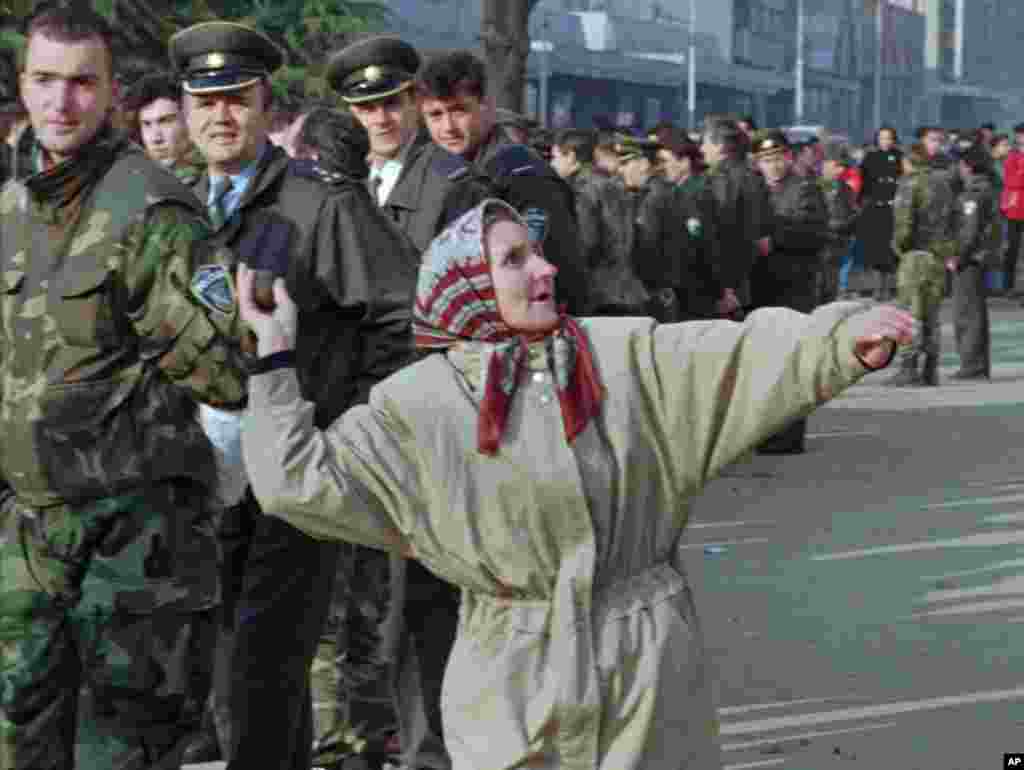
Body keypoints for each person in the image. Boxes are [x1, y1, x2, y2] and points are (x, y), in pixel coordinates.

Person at [235, 198, 912, 770]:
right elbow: (297, 481)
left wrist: (840, 336)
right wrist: (273, 356)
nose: (546, 268)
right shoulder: (416, 407)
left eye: (538, 252)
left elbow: (739, 352)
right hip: (507, 672)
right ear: (467, 284)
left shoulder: (622, 356)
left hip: (645, 665)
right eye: (515, 260)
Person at [0, 5, 253, 768]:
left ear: (112, 94)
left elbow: (221, 373)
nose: (61, 102)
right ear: (22, 85)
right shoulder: (13, 208)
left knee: (124, 750)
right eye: (46, 80)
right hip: (29, 531)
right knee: (17, 741)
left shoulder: (154, 210)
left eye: (82, 84)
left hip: (135, 542)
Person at [170, 20, 420, 770]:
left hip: (295, 464)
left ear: (264, 104)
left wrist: (352, 436)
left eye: (236, 98)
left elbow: (399, 318)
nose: (221, 116)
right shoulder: (178, 206)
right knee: (215, 659)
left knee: (269, 665)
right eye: (205, 100)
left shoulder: (319, 204)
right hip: (198, 468)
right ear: (186, 111)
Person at [417, 50, 587, 317]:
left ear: (487, 105)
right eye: (435, 115)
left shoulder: (524, 177)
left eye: (459, 110)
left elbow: (555, 271)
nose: (447, 127)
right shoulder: (443, 173)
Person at [328, 36, 456, 256]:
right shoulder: (347, 180)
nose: (381, 119)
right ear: (354, 112)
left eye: (391, 104)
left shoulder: (453, 186)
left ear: (415, 100)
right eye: (367, 108)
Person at [749, 129, 829, 454]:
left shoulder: (804, 190)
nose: (773, 165)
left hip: (794, 286)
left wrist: (775, 238)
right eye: (766, 160)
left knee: (790, 361)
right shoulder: (753, 190)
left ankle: (789, 435)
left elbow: (814, 231)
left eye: (778, 158)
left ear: (789, 157)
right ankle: (764, 431)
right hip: (759, 285)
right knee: (762, 363)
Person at [550, 128, 644, 316]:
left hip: (598, 295)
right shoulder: (615, 184)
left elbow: (587, 243)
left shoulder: (581, 190)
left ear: (571, 156)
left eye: (555, 156)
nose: (552, 163)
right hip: (628, 289)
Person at [888, 143, 956, 387]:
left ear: (908, 162)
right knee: (931, 314)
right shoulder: (943, 184)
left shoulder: (909, 184)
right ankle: (931, 368)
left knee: (910, 313)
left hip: (915, 255)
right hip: (937, 256)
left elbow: (903, 224)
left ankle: (908, 367)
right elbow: (953, 220)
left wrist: (898, 246)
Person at [701, 114, 773, 315]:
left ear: (720, 146)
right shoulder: (751, 175)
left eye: (705, 143)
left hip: (726, 286)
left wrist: (723, 287)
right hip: (749, 279)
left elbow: (722, 234)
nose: (701, 149)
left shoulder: (721, 179)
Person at [948, 143, 998, 380]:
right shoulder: (987, 188)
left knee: (967, 312)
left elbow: (969, 231)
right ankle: (977, 364)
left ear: (967, 166)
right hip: (980, 257)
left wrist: (958, 258)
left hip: (971, 260)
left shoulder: (973, 194)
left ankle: (972, 365)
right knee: (975, 311)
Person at [122, 71, 205, 185]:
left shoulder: (217, 172)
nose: (156, 139)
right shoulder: (131, 182)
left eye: (165, 122)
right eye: (147, 124)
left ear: (188, 121)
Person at [858, 126, 903, 300]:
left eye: (889, 138)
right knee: (876, 249)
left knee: (893, 249)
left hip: (894, 208)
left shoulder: (899, 157)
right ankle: (878, 288)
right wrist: (861, 202)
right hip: (875, 209)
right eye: (882, 138)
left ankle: (893, 288)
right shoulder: (870, 157)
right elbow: (864, 182)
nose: (885, 141)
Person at [818, 142, 860, 303]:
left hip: (837, 249)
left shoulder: (846, 189)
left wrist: (851, 223)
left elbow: (852, 214)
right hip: (819, 250)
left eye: (843, 167)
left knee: (831, 292)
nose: (841, 170)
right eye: (837, 165)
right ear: (826, 164)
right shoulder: (812, 187)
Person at [999, 123, 1024, 296]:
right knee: (1012, 249)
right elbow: (1011, 182)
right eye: (1021, 135)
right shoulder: (1012, 156)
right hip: (1015, 209)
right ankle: (1007, 286)